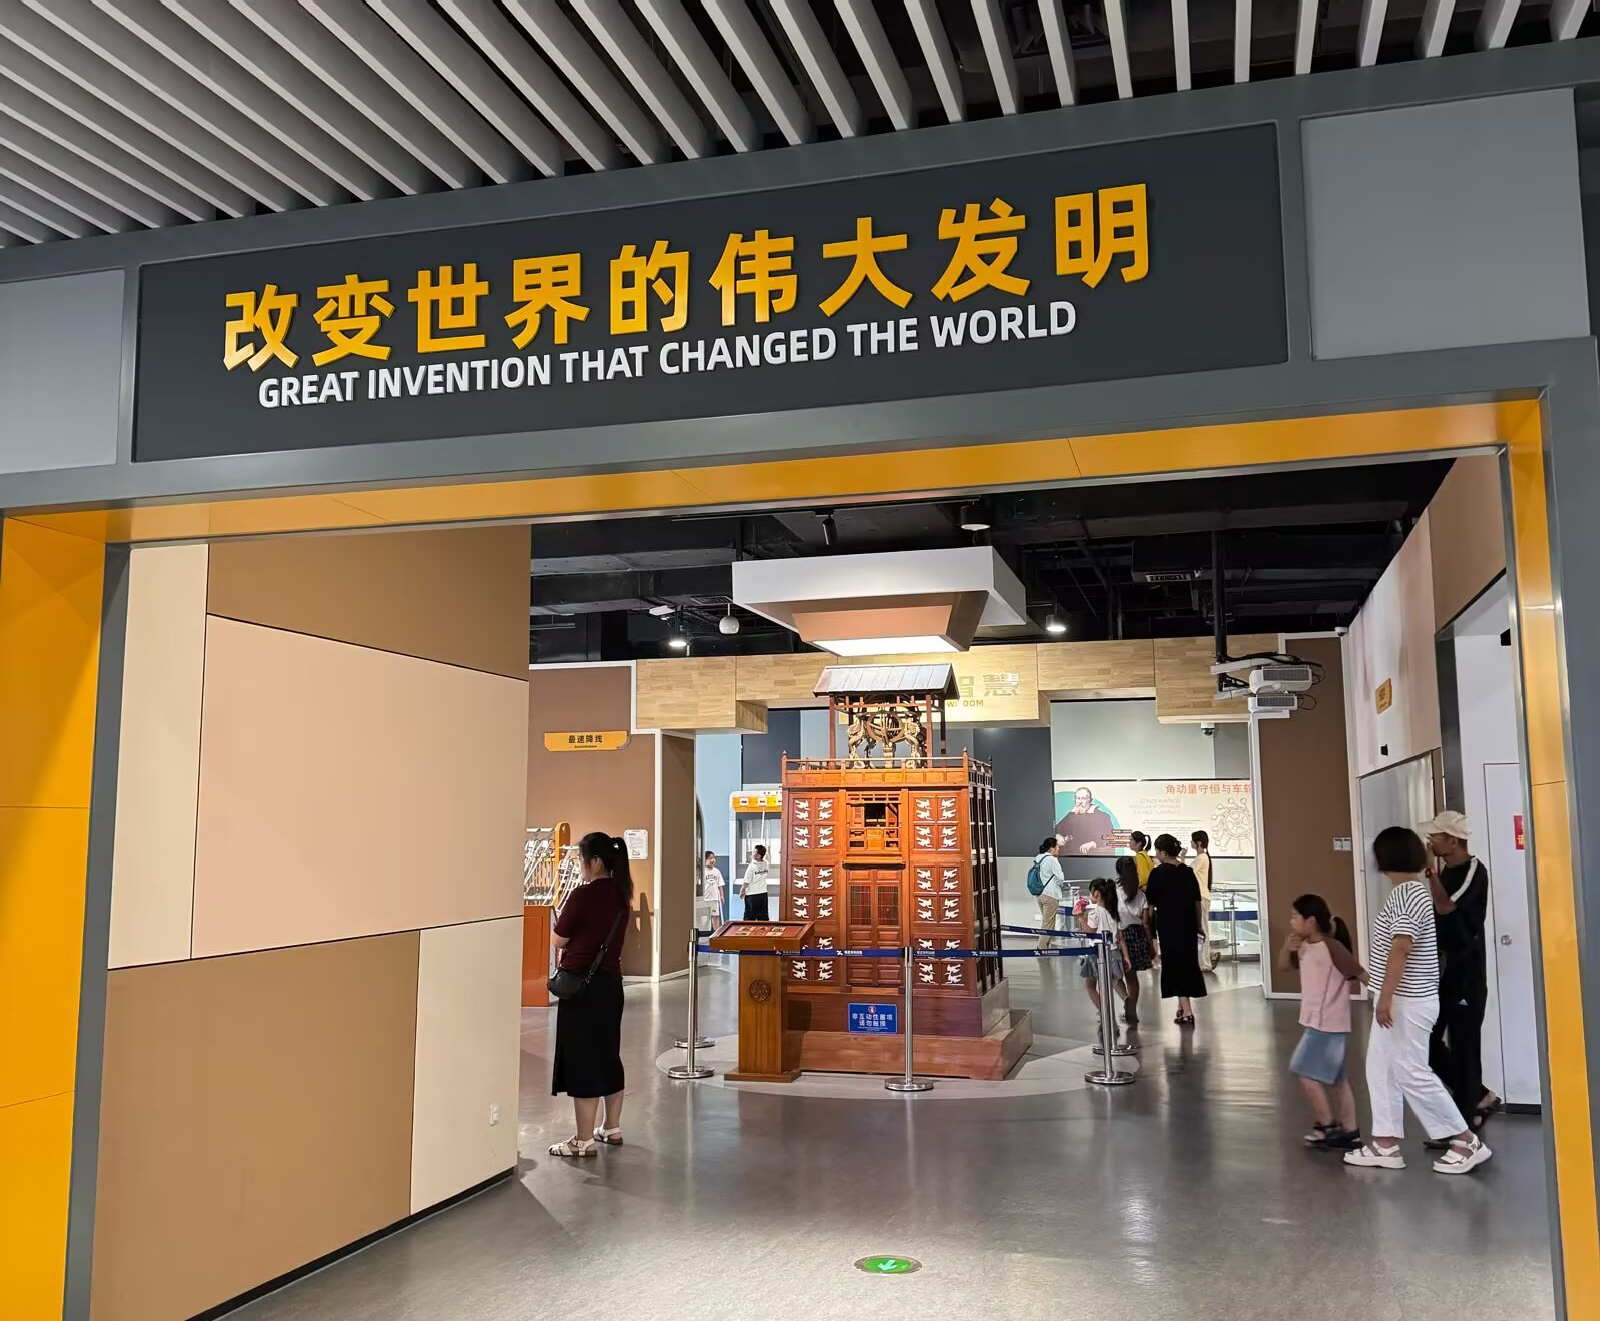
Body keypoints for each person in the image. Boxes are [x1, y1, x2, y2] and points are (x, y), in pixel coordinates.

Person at [1344, 827, 1492, 1174]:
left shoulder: (1408, 894)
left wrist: (1386, 998)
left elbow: (1402, 946)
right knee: (1380, 1067)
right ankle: (1385, 1143)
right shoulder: (1409, 892)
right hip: (1400, 998)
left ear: (1382, 858)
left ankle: (1466, 1141)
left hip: (1406, 1001)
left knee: (1411, 1071)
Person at [548, 832, 632, 1158]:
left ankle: (582, 1140)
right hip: (611, 985)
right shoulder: (621, 895)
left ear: (595, 862)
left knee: (583, 1060)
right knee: (608, 1054)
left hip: (581, 988)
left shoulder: (583, 896)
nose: (580, 866)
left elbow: (558, 939)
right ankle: (611, 1126)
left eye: (581, 860)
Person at [1421, 810, 1500, 1136]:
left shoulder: (1473, 871)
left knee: (1465, 1042)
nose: (1430, 842)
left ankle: (1467, 1118)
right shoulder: (1446, 872)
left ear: (1453, 841)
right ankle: (1478, 1096)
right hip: (1448, 968)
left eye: (1435, 837)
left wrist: (1430, 872)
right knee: (1427, 1041)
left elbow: (1446, 907)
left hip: (1467, 970)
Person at [1281, 894, 1365, 1150]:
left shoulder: (1332, 947)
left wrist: (1387, 1000)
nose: (1291, 921)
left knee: (1303, 1071)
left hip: (1327, 1023)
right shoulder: (1304, 946)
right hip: (1316, 1022)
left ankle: (1326, 1124)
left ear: (1311, 921)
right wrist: (1287, 948)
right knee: (1338, 1079)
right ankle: (1350, 1130)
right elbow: (1284, 966)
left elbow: (1360, 973)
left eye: (1295, 916)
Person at [1144, 834, 1207, 1025]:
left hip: (1168, 925)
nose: (1157, 855)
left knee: (1175, 965)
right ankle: (1181, 1007)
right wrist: (1198, 925)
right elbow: (1197, 902)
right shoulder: (1187, 872)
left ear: (1163, 853)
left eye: (1157, 851)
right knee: (1187, 963)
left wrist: (1148, 927)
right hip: (1188, 924)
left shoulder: (1157, 874)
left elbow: (1150, 905)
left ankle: (1187, 1011)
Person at [1079, 877, 1127, 1024]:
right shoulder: (1114, 912)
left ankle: (1104, 1011)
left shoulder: (1095, 913)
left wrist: (1080, 918)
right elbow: (1120, 937)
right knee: (1116, 982)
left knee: (1090, 986)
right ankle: (1129, 1005)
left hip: (1097, 952)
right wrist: (1126, 956)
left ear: (1097, 894)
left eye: (1090, 892)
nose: (1089, 895)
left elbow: (1089, 932)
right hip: (1113, 951)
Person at [1115, 856, 1153, 1027]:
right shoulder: (1141, 895)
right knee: (1132, 977)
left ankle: (1126, 1000)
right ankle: (1132, 1010)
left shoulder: (1115, 892)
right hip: (1137, 936)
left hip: (1119, 936)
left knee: (1114, 975)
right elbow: (1146, 923)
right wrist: (1150, 944)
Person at [1055, 786, 1115, 855]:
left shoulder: (1103, 816)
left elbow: (1109, 838)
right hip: (1070, 856)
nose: (1080, 802)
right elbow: (1057, 829)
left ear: (1090, 800)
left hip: (1092, 856)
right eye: (1078, 798)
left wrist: (1093, 844)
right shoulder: (1071, 815)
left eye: (1083, 798)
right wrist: (1058, 835)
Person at [1032, 836, 1066, 950]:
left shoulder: (1039, 858)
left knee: (1047, 922)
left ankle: (1046, 946)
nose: (1058, 849)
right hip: (1050, 895)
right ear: (1052, 848)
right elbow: (1060, 877)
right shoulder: (1052, 860)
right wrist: (1060, 885)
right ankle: (1041, 948)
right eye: (1057, 847)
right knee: (1048, 924)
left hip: (1040, 894)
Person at [739, 843, 772, 921]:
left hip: (752, 894)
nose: (752, 853)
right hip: (763, 893)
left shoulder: (752, 867)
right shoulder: (766, 863)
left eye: (754, 852)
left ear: (758, 856)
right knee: (763, 916)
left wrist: (742, 891)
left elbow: (746, 881)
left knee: (750, 917)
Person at [702, 850, 726, 924]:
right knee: (704, 917)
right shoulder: (702, 871)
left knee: (715, 916)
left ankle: (716, 930)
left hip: (714, 898)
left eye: (713, 858)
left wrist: (721, 895)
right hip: (704, 898)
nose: (712, 860)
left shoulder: (717, 871)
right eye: (710, 858)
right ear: (705, 860)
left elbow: (720, 884)